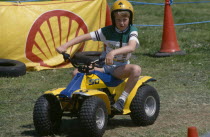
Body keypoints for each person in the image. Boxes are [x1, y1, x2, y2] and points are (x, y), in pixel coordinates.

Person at [56, 0, 141, 113]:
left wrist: (112, 53)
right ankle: (75, 99)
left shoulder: (132, 31)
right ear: (113, 19)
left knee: (136, 69)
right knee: (77, 72)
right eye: (118, 20)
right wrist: (65, 46)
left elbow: (131, 47)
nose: (122, 23)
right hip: (104, 66)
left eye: (125, 20)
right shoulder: (107, 31)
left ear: (130, 19)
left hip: (119, 68)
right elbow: (85, 37)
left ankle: (122, 99)